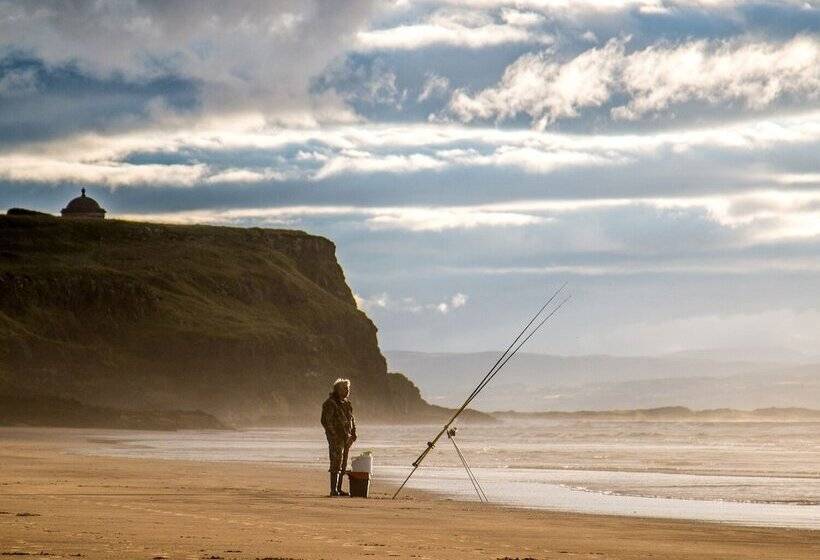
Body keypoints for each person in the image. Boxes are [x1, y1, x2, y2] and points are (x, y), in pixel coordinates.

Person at [321, 378, 357, 496]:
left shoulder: (347, 403)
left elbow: (352, 419)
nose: (347, 390)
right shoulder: (330, 403)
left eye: (348, 388)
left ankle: (339, 488)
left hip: (347, 437)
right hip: (336, 438)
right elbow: (326, 421)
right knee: (336, 462)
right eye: (344, 388)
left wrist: (353, 434)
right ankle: (333, 490)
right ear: (337, 389)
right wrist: (334, 435)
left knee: (343, 463)